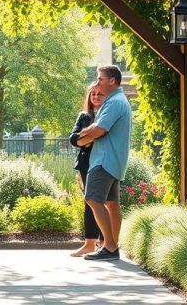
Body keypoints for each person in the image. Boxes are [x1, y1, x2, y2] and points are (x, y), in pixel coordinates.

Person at [76, 65, 131, 261]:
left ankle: (109, 246)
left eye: (100, 79)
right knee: (112, 203)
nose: (97, 82)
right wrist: (88, 132)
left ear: (112, 81)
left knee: (92, 199)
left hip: (104, 160)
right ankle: (112, 245)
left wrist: (81, 136)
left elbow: (99, 129)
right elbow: (96, 127)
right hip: (114, 160)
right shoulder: (117, 100)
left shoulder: (114, 102)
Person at [68, 83, 105, 257]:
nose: (96, 97)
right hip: (86, 164)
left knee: (105, 202)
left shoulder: (108, 115)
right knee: (89, 201)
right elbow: (74, 139)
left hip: (105, 162)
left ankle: (105, 242)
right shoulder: (84, 116)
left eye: (100, 94)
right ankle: (89, 242)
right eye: (93, 94)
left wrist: (87, 138)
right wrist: (90, 136)